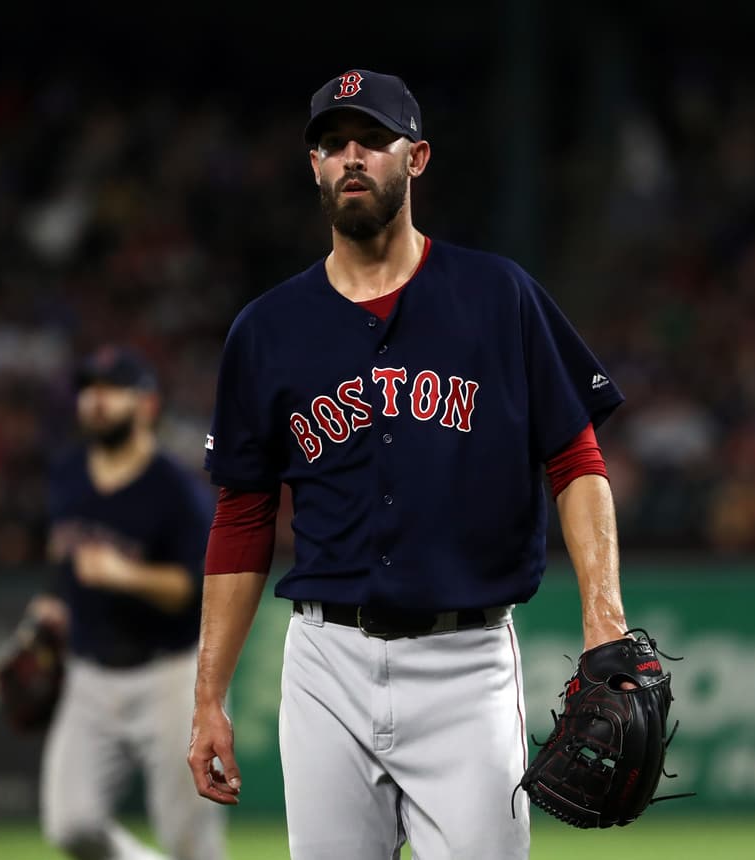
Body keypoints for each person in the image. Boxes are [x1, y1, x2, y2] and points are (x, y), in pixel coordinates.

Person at [188, 70, 632, 859]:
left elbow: (575, 457)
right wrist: (208, 698)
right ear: (315, 168)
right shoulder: (266, 331)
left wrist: (605, 614)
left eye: (370, 140)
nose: (349, 156)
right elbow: (242, 516)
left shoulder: (499, 296)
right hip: (327, 663)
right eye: (330, 144)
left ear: (416, 157)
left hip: (466, 662)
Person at [22, 346, 224, 860]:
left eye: (111, 390)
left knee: (191, 843)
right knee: (71, 826)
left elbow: (195, 587)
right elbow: (63, 552)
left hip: (168, 676)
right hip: (89, 676)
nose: (96, 401)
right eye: (89, 390)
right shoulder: (67, 472)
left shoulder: (175, 488)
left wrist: (125, 575)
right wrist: (52, 602)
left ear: (147, 405)